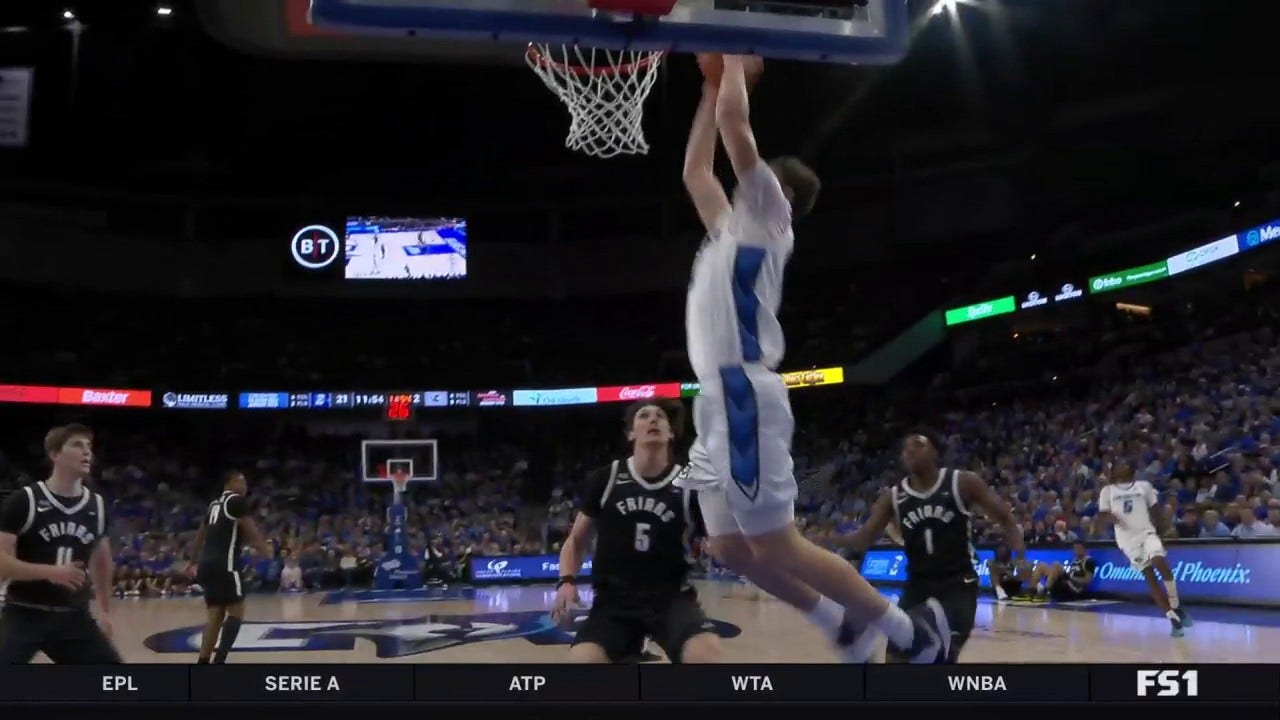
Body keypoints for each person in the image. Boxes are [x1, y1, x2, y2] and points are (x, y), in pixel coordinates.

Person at [678, 52, 946, 664]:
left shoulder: (771, 212)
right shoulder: (729, 230)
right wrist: (710, 84)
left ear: (781, 188)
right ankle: (841, 625)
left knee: (777, 545)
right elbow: (696, 170)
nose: (745, 173)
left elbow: (734, 130)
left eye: (757, 172)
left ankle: (910, 633)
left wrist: (735, 73)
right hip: (714, 400)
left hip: (744, 391)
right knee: (730, 549)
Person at [551, 400, 720, 664]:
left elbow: (713, 540)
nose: (653, 420)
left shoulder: (691, 485)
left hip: (671, 598)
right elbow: (576, 540)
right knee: (582, 664)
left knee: (706, 653)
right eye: (644, 416)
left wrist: (713, 546)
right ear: (631, 433)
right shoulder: (605, 479)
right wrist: (567, 581)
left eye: (660, 417)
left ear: (671, 433)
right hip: (614, 602)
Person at [839, 431, 1025, 662]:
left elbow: (1005, 517)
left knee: (943, 656)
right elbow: (864, 538)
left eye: (918, 445)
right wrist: (826, 541)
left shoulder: (963, 482)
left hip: (957, 585)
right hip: (917, 585)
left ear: (935, 451)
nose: (910, 452)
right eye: (905, 449)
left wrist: (1020, 555)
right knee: (895, 658)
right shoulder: (894, 496)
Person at [0, 424, 121, 663]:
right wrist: (51, 572)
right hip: (25, 613)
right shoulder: (25, 500)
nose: (87, 452)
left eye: (89, 446)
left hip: (74, 616)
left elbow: (102, 561)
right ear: (55, 454)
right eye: (77, 445)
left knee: (118, 685)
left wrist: (105, 611)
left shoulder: (97, 505)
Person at [1096, 466, 1192, 636]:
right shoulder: (1107, 490)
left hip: (1147, 532)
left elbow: (1156, 511)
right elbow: (1103, 515)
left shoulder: (1144, 486)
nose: (1121, 467)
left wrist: (1166, 528)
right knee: (1149, 575)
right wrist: (1111, 517)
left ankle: (1176, 605)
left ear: (1132, 471)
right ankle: (1172, 618)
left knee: (1159, 561)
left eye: (1126, 464)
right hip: (1127, 540)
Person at [191, 471, 271, 663]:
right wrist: (265, 550)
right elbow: (250, 530)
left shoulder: (213, 505)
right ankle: (220, 660)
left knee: (215, 617)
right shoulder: (236, 501)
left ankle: (203, 662)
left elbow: (201, 534)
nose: (245, 486)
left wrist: (193, 560)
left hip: (207, 566)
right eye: (241, 481)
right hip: (226, 565)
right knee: (236, 612)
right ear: (228, 483)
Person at [1031, 541, 1096, 602]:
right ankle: (1034, 591)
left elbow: (1088, 580)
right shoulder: (1074, 560)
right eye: (1075, 548)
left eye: (1078, 548)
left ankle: (1046, 592)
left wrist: (1071, 578)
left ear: (1084, 549)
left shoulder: (1088, 561)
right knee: (1041, 565)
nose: (1076, 551)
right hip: (1067, 582)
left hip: (1076, 588)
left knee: (1056, 564)